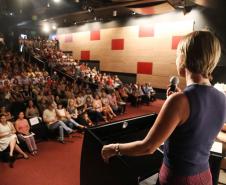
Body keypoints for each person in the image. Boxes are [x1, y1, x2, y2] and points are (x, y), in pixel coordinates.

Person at [101, 30, 226, 185]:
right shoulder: (222, 98)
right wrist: (177, 106)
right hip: (205, 176)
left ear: (184, 57)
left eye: (177, 54)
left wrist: (113, 148)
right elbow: (199, 130)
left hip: (179, 179)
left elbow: (148, 147)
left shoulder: (179, 101)